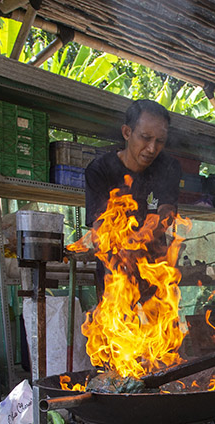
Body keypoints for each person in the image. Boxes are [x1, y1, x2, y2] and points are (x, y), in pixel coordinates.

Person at [83, 99, 181, 301]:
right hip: (116, 272)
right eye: (145, 138)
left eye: (160, 141)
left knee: (159, 328)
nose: (152, 148)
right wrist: (122, 255)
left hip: (155, 269)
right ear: (127, 133)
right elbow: (100, 225)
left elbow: (166, 213)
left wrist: (139, 240)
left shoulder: (168, 167)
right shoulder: (100, 170)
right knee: (119, 326)